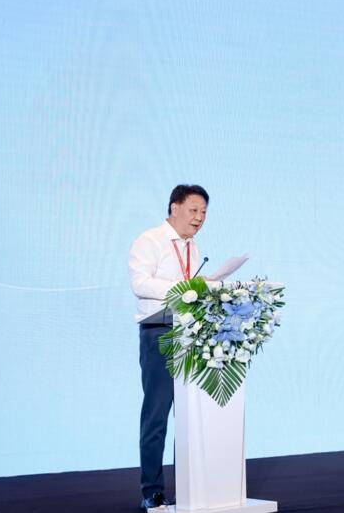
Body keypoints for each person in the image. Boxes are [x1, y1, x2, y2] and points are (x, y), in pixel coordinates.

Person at [128, 184, 209, 510]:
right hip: (159, 333)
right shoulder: (149, 241)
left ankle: (190, 487)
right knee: (157, 416)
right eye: (194, 210)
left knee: (190, 419)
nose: (199, 218)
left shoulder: (193, 248)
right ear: (174, 207)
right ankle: (152, 490)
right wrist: (184, 288)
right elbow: (140, 283)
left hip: (190, 333)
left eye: (204, 212)